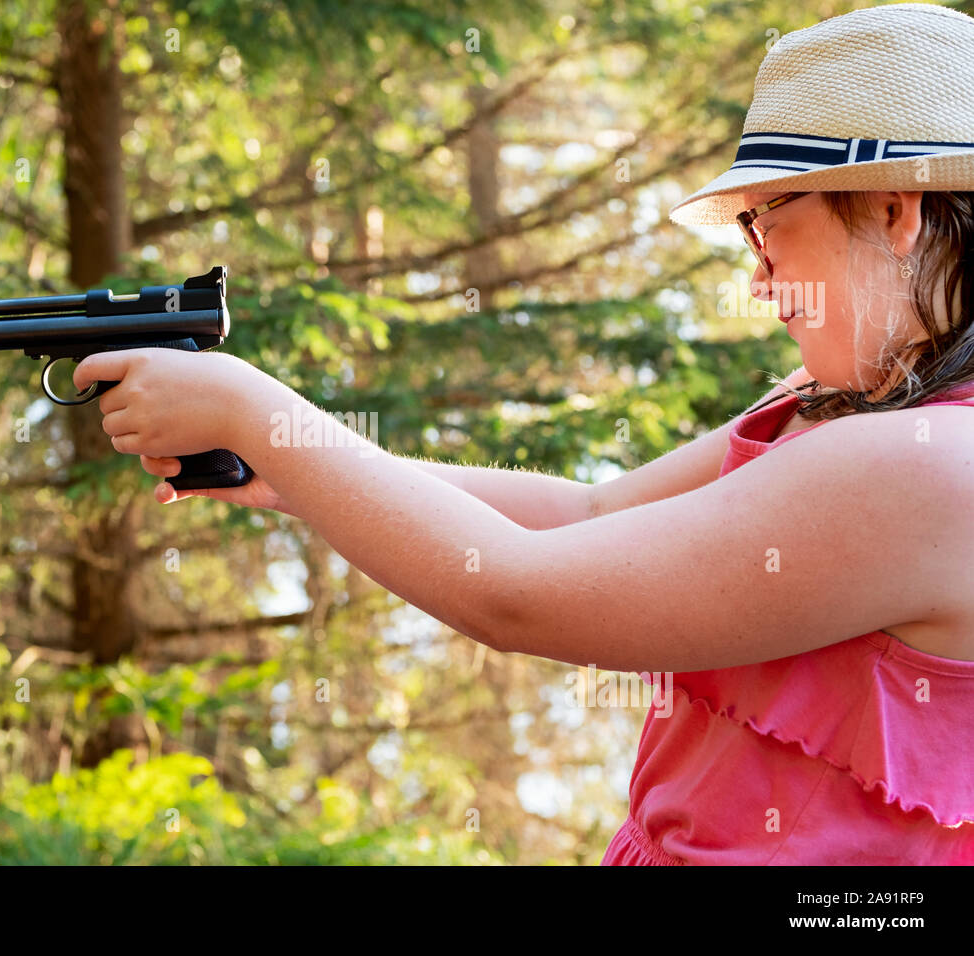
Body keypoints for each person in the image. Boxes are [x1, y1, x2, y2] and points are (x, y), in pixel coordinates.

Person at [73, 2, 974, 864]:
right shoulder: (849, 404)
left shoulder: (923, 466)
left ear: (897, 211)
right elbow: (590, 508)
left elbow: (513, 593)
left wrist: (251, 412)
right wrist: (297, 467)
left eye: (768, 224)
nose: (760, 276)